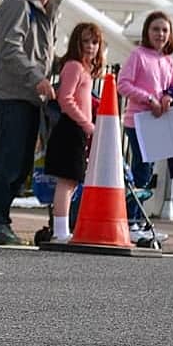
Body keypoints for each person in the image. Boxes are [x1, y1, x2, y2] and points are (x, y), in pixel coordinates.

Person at [0, 0, 63, 246]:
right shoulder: (18, 4)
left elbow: (44, 55)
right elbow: (11, 49)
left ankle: (1, 221)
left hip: (32, 97)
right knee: (8, 160)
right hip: (13, 94)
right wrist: (37, 79)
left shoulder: (47, 9)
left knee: (23, 163)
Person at [118, 10, 173, 242]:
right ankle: (131, 220)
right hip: (137, 121)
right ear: (147, 31)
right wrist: (149, 99)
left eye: (164, 30)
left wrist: (167, 97)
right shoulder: (138, 55)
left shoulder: (167, 61)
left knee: (147, 172)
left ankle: (138, 220)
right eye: (155, 29)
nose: (160, 34)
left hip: (157, 123)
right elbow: (123, 84)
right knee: (141, 169)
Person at [44, 22, 105, 242]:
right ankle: (60, 230)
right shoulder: (74, 67)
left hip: (77, 130)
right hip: (70, 128)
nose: (90, 46)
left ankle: (63, 228)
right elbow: (66, 99)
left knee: (72, 181)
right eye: (86, 41)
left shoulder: (85, 70)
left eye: (95, 42)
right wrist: (86, 123)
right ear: (76, 44)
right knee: (67, 180)